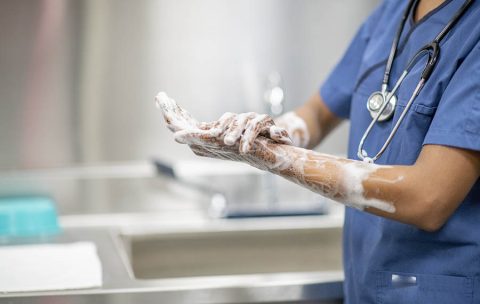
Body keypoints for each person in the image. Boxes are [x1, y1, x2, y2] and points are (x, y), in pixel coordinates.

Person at [157, 0, 480, 302]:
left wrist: (271, 156)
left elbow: (427, 198)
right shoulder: (394, 12)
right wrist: (259, 132)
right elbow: (315, 115)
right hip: (367, 281)